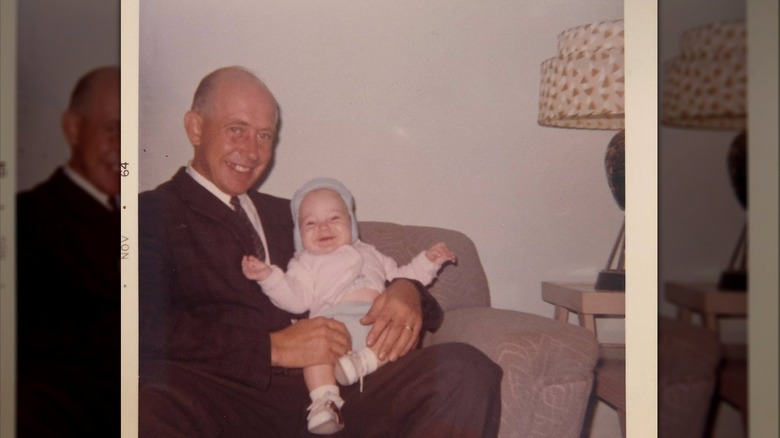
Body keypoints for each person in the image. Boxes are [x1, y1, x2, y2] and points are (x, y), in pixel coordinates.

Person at [139, 65, 502, 437]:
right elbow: (137, 325)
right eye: (236, 129)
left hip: (337, 387)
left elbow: (375, 269)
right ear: (195, 128)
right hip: (225, 399)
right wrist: (269, 348)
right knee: (142, 407)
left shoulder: (296, 214)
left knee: (465, 370)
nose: (251, 150)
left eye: (264, 135)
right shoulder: (147, 214)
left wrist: (406, 291)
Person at [241, 177, 457, 434]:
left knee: (397, 339)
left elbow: (404, 277)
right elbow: (295, 298)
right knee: (314, 352)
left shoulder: (371, 253)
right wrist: (269, 277)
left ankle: (363, 363)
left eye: (334, 219)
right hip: (331, 325)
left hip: (375, 320)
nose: (323, 228)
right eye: (311, 223)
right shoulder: (305, 263)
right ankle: (324, 401)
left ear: (351, 224)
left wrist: (429, 261)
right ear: (299, 234)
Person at [16, 66, 121, 436]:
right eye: (112, 129)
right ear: (74, 129)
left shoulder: (131, 218)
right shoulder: (27, 217)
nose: (123, 148)